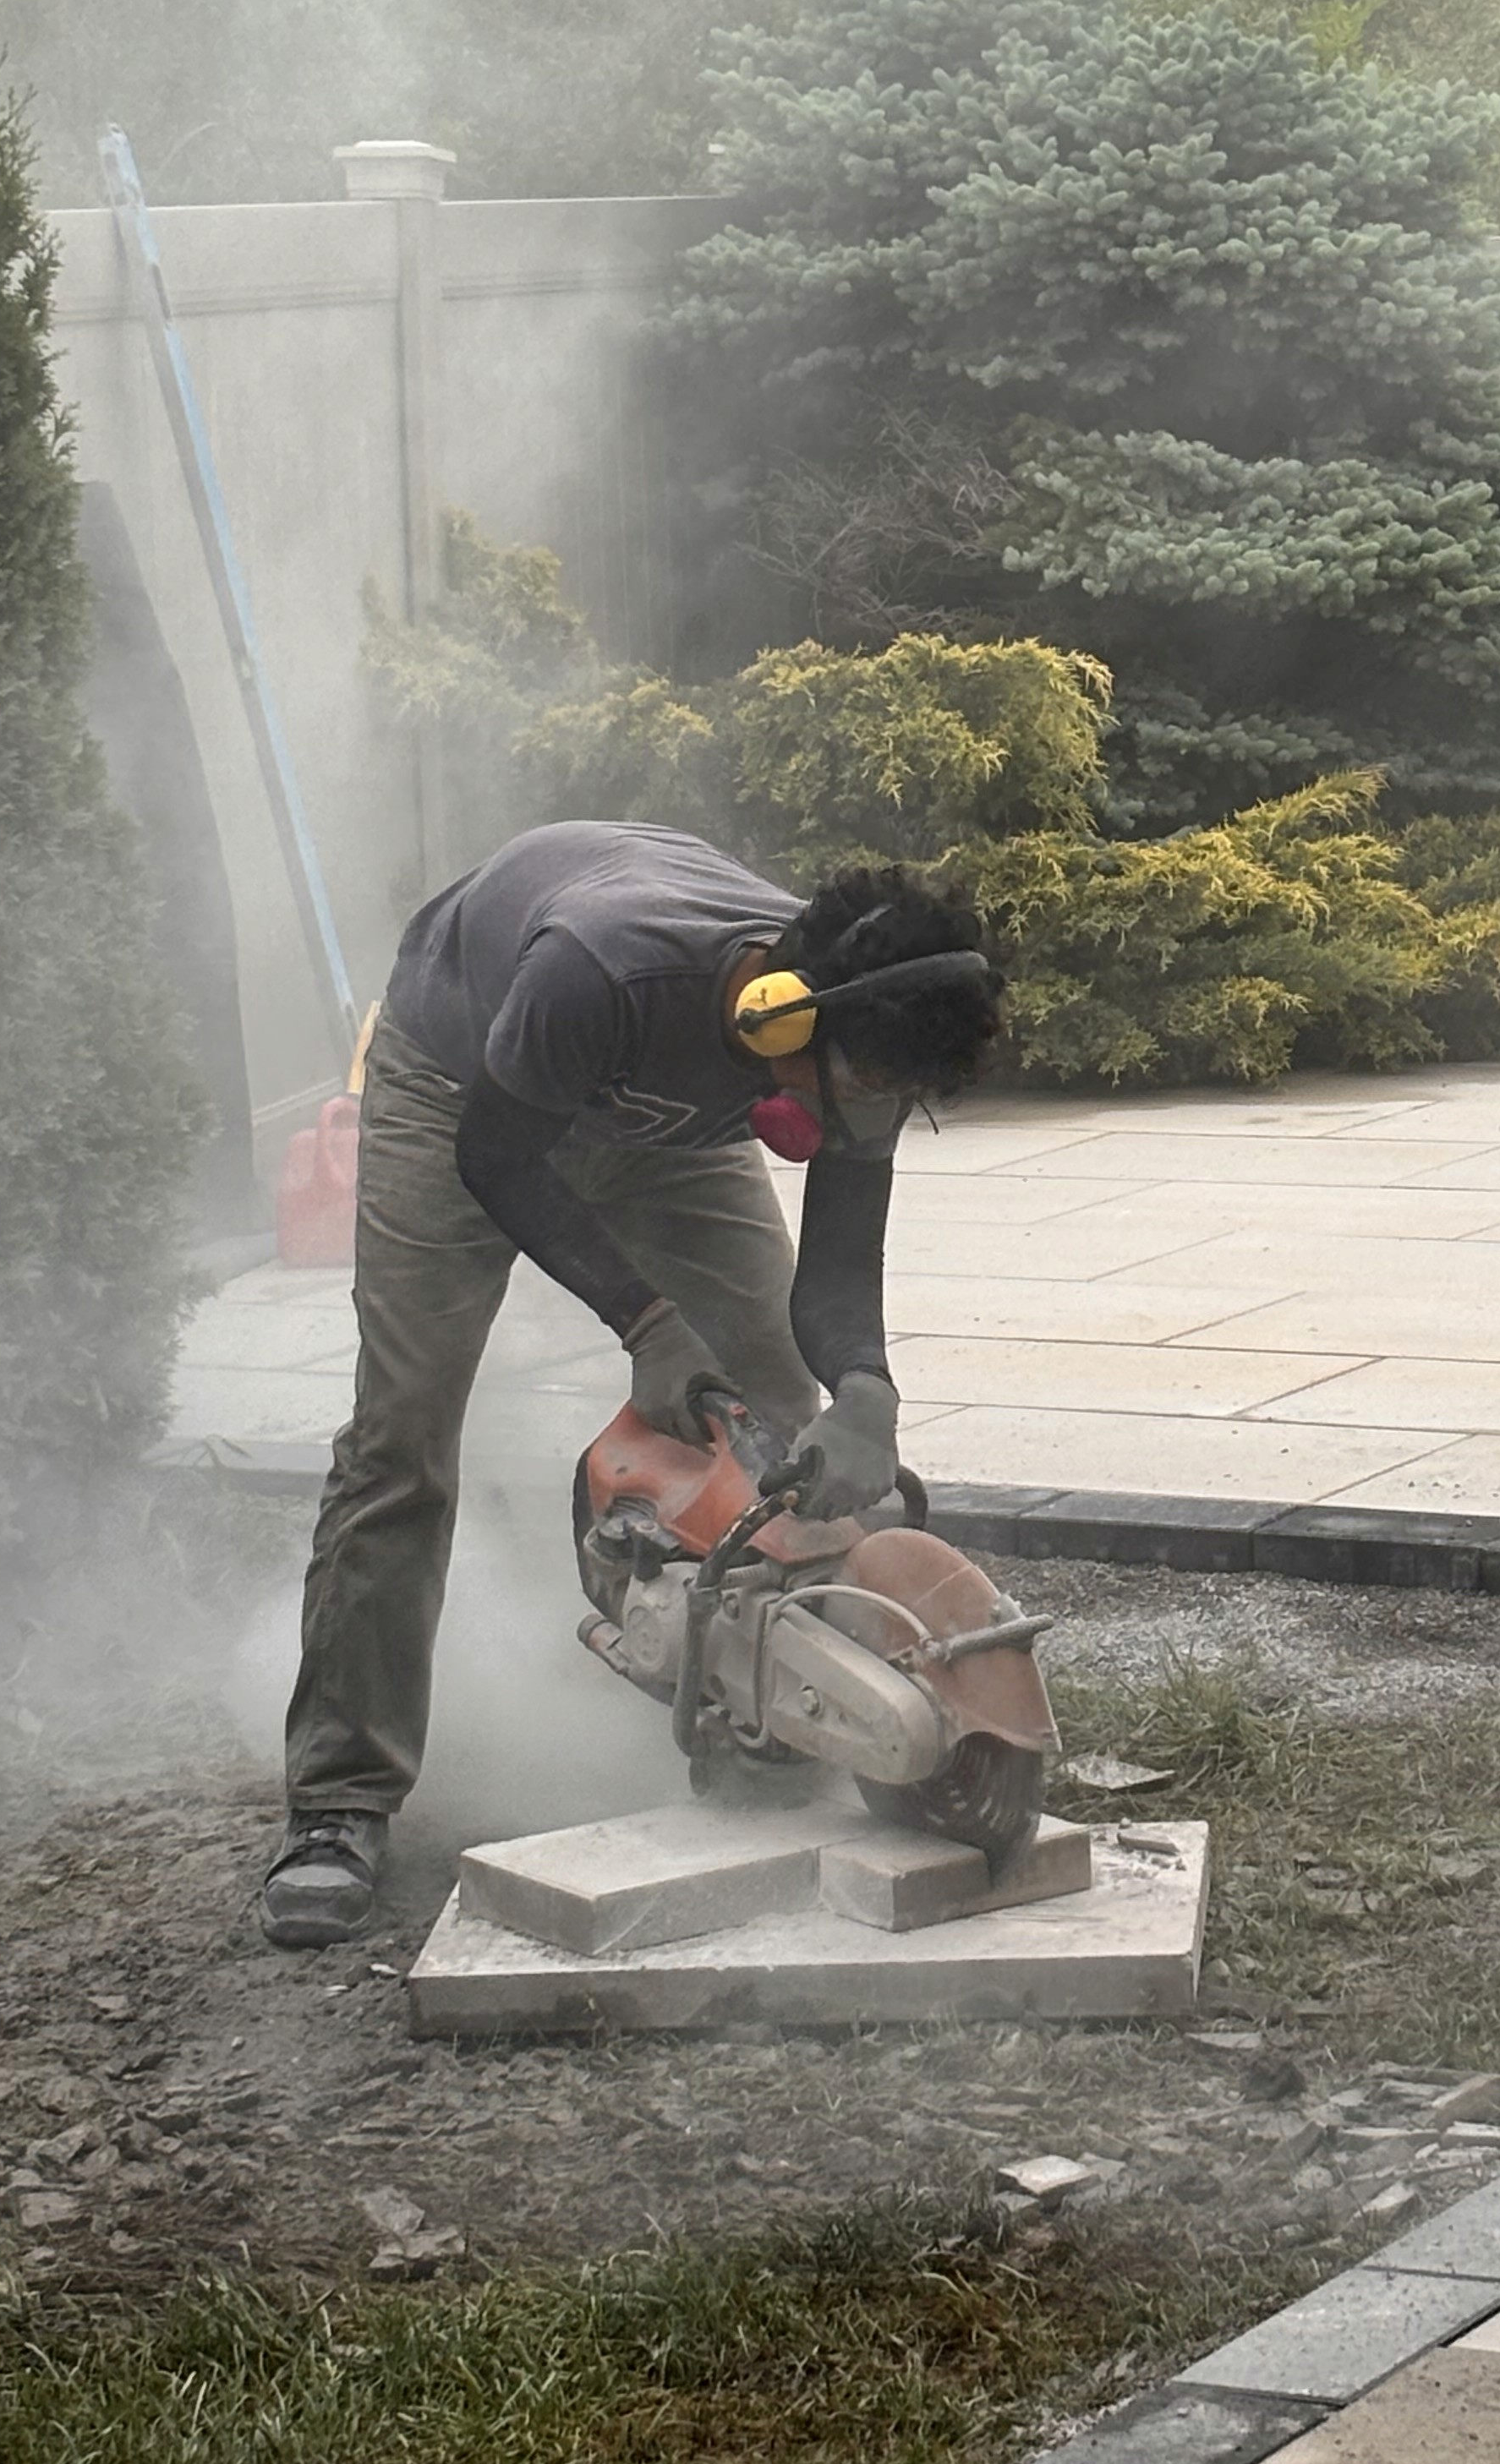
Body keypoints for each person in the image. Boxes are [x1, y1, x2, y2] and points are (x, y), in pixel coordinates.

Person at [259, 821, 1004, 1949]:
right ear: (778, 1009)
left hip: (666, 1127)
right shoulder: (605, 967)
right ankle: (340, 1800)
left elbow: (836, 1276)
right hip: (463, 1091)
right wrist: (647, 1324)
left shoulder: (872, 1028)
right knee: (403, 1432)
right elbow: (498, 1160)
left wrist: (865, 1386)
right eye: (858, 1087)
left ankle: (767, 1724)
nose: (862, 1116)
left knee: (776, 1403)